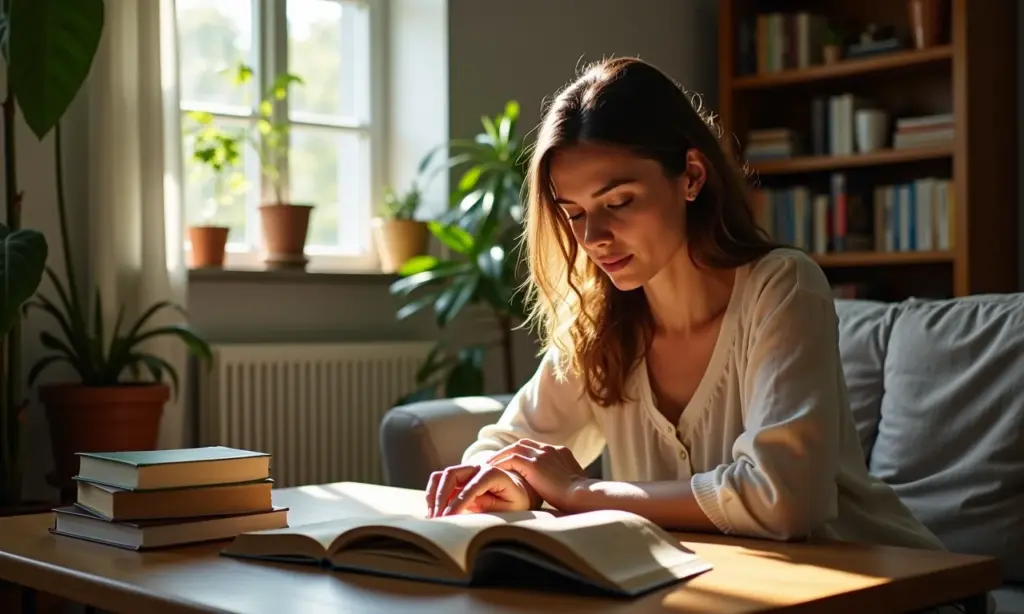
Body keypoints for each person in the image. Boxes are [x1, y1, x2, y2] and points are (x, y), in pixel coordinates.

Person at [423, 56, 945, 553]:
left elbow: (785, 500)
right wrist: (512, 482)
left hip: (885, 580)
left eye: (619, 202)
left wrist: (581, 494)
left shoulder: (783, 286)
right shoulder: (599, 323)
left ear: (692, 175)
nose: (594, 236)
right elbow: (505, 448)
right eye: (574, 213)